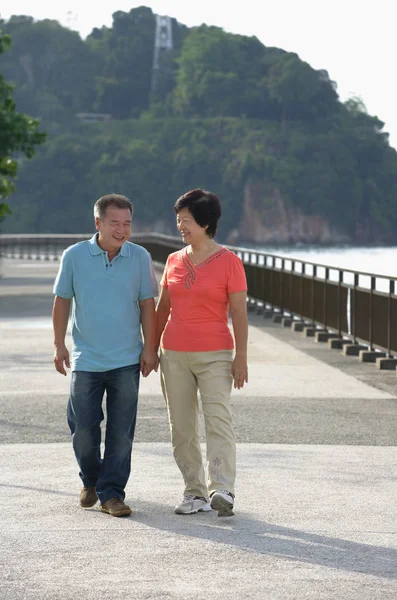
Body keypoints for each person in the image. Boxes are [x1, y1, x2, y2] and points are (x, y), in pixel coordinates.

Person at [52, 194, 158, 518]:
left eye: (127, 223)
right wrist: (59, 345)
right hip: (86, 358)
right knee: (83, 427)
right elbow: (61, 303)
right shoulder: (74, 256)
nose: (122, 229)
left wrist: (150, 347)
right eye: (115, 223)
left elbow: (147, 306)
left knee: (121, 431)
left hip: (127, 358)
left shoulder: (139, 257)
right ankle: (91, 479)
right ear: (98, 223)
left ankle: (112, 494)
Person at [155, 188, 248, 517]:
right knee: (181, 426)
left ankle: (222, 488)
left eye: (187, 220)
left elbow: (238, 313)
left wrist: (241, 358)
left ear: (206, 223)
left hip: (216, 354)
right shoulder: (173, 260)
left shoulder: (229, 262)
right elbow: (162, 308)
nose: (181, 226)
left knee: (218, 420)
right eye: (179, 220)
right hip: (174, 354)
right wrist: (151, 350)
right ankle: (193, 491)